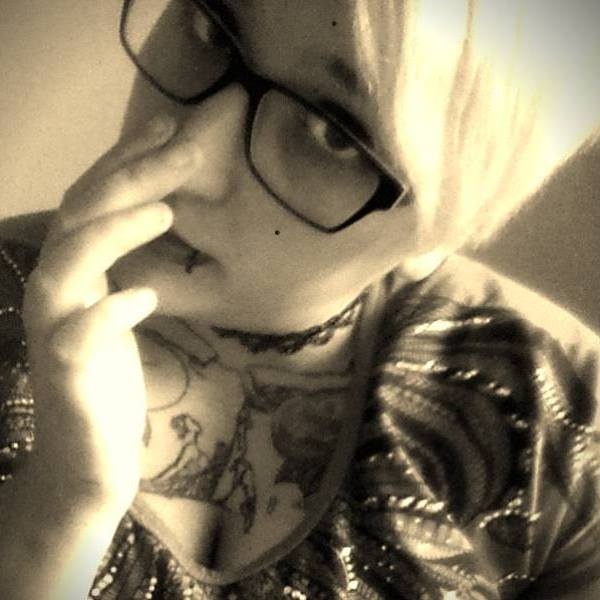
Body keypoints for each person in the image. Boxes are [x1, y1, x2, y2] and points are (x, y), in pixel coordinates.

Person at [0, 0, 599, 598]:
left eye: (334, 133)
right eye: (211, 30)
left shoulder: (562, 421)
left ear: (444, 228)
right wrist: (58, 518)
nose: (189, 165)